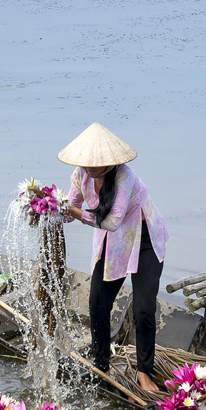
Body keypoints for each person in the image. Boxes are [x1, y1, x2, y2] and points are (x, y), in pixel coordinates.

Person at [59, 122, 168, 392]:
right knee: (97, 302)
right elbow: (70, 209)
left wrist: (72, 212)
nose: (89, 168)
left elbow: (112, 222)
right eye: (86, 163)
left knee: (143, 307)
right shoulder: (81, 174)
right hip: (113, 243)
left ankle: (144, 373)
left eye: (95, 164)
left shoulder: (124, 177)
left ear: (108, 162)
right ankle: (102, 365)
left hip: (143, 239)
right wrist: (49, 205)